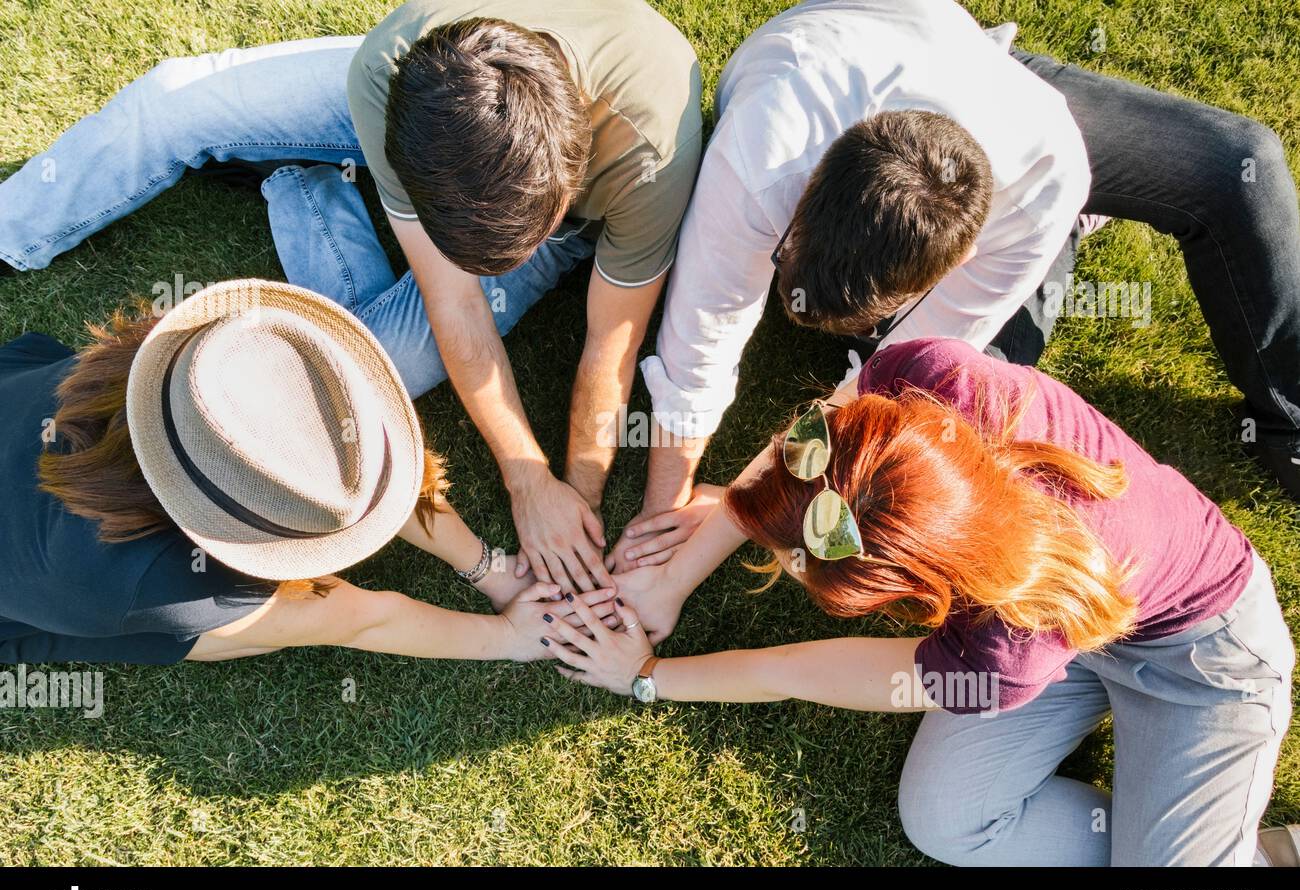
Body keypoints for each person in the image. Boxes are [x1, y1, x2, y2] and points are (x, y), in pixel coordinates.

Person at [0, 0, 705, 596]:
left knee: (366, 377)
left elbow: (611, 347)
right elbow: (453, 301)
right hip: (441, 117)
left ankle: (300, 182)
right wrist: (524, 486)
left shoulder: (650, 158)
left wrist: (564, 492)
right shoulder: (396, 69)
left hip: (553, 183)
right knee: (166, 104)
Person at [612, 0, 1300, 573]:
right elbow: (703, 335)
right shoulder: (763, 155)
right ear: (810, 193)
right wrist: (663, 514)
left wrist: (737, 509)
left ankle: (1288, 424)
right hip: (870, 63)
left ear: (964, 253)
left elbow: (891, 375)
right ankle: (1066, 238)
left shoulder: (1039, 181)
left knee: (1240, 163)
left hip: (1008, 109)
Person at [568, 337, 1295, 866]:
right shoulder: (928, 376)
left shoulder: (1001, 651)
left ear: (915, 591)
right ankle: (1177, 835)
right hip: (1068, 615)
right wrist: (678, 574)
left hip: (1199, 661)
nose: (779, 565)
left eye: (793, 561)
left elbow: (795, 671)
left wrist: (647, 677)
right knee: (946, 823)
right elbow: (816, 435)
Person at [0, 279, 613, 664]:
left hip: (20, 398)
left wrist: (491, 569)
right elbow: (362, 618)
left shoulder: (213, 359)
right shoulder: (170, 587)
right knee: (213, 635)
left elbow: (368, 472)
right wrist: (510, 638)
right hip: (39, 594)